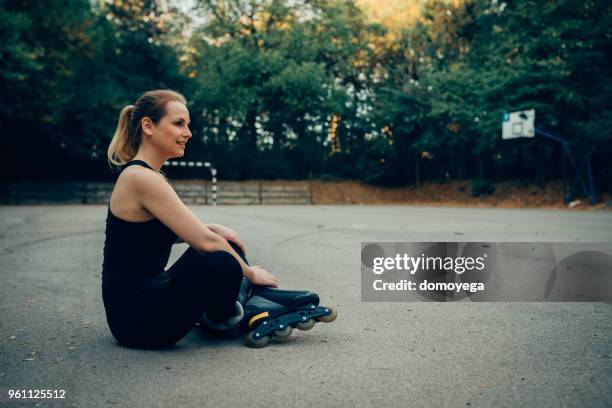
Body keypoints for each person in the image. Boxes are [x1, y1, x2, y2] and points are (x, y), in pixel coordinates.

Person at [102, 89, 278, 349]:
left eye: (187, 125)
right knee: (223, 260)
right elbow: (205, 243)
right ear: (148, 126)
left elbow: (149, 236)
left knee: (228, 246)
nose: (188, 132)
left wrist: (213, 229)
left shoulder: (147, 175)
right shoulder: (141, 178)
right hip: (137, 320)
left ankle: (233, 305)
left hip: (149, 300)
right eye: (178, 123)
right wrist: (251, 273)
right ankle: (227, 317)